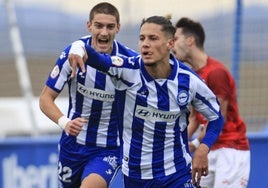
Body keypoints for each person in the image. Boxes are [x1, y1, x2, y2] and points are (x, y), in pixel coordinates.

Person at [70, 15, 224, 188]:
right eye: (142, 38)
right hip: (136, 176)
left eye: (153, 38)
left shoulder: (189, 81)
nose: (145, 44)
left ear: (170, 44)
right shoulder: (127, 70)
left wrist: (203, 148)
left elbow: (216, 117)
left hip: (176, 174)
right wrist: (77, 47)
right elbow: (95, 57)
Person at [39, 2, 138, 188]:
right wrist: (65, 123)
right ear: (89, 26)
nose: (104, 32)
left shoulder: (128, 61)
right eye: (99, 26)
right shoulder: (72, 54)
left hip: (108, 149)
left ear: (118, 27)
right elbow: (45, 99)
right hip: (72, 145)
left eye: (110, 26)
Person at [172, 17, 250, 188]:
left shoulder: (216, 73)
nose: (172, 44)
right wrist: (178, 144)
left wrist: (195, 144)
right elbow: (193, 119)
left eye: (176, 39)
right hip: (208, 148)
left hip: (230, 149)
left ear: (190, 40)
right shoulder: (192, 76)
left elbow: (217, 118)